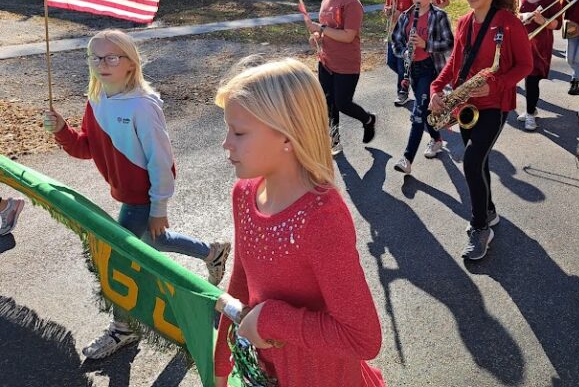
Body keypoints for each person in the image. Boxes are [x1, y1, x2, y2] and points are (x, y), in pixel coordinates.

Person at [43, 29, 230, 360]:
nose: (102, 63)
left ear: (130, 64)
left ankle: (124, 328)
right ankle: (210, 252)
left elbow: (161, 163)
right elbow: (86, 148)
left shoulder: (143, 107)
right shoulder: (97, 99)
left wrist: (158, 206)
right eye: (95, 57)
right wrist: (61, 131)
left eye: (112, 57)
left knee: (121, 258)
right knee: (154, 241)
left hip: (142, 197)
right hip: (127, 194)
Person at [213, 59, 384, 387]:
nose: (226, 143)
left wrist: (270, 319)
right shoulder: (243, 194)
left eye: (239, 132)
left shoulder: (323, 219)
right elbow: (240, 283)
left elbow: (363, 339)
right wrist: (220, 368)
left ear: (287, 137)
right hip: (266, 374)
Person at [429, 0, 533, 261]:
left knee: (472, 160)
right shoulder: (463, 22)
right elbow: (454, 63)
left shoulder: (508, 22)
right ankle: (488, 211)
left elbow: (525, 65)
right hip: (466, 105)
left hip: (494, 104)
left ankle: (479, 227)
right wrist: (437, 88)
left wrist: (496, 85)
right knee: (481, 161)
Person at [304, 0, 376, 156]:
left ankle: (368, 119)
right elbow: (324, 31)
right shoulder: (326, 1)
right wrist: (316, 37)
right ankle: (334, 141)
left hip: (346, 63)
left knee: (343, 103)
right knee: (328, 102)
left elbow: (347, 36)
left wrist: (321, 29)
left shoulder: (352, 4)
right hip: (325, 60)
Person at [391, 0, 454, 173]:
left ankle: (407, 158)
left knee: (418, 112)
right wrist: (404, 52)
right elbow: (395, 41)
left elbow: (449, 43)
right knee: (425, 109)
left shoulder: (439, 16)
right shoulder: (406, 16)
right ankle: (436, 139)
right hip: (413, 70)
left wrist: (425, 45)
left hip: (431, 69)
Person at [518, 0, 561, 131]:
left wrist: (542, 20)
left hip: (540, 45)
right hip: (522, 43)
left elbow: (557, 25)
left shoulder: (550, 0)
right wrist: (522, 16)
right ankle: (532, 108)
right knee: (526, 78)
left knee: (532, 79)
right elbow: (516, 15)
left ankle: (530, 114)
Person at [385, 0, 414, 106]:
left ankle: (402, 93)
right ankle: (410, 77)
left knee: (401, 64)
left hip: (404, 34)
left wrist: (400, 14)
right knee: (390, 62)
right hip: (392, 30)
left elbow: (414, 12)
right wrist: (388, 11)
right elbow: (388, 5)